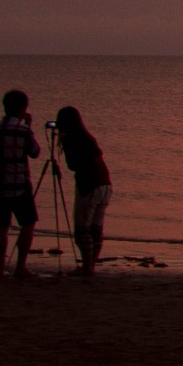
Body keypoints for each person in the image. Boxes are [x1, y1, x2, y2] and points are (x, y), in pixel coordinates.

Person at [0, 89, 41, 278]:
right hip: (18, 185)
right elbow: (35, 152)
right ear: (23, 108)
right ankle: (20, 266)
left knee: (2, 226)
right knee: (28, 223)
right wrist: (29, 126)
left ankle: (0, 269)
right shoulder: (22, 131)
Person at [53, 106, 111, 277]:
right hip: (105, 183)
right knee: (96, 227)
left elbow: (73, 165)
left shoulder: (72, 138)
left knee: (82, 229)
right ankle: (90, 265)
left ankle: (87, 266)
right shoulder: (87, 137)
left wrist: (62, 142)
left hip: (89, 184)